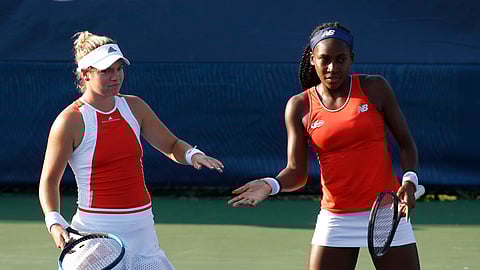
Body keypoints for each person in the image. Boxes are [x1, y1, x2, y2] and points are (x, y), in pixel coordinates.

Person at [228, 22, 421, 270]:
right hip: (336, 218)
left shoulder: (375, 88)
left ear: (351, 58)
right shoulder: (299, 106)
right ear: (312, 59)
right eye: (325, 59)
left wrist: (409, 181)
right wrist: (270, 184)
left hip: (386, 213)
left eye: (340, 60)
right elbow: (296, 172)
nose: (332, 68)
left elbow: (406, 144)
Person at [38, 31, 224, 269]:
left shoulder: (135, 107)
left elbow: (171, 145)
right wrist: (54, 222)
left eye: (119, 69)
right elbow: (49, 180)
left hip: (143, 228)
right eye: (106, 71)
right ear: (85, 74)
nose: (115, 77)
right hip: (97, 232)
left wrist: (192, 155)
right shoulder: (70, 121)